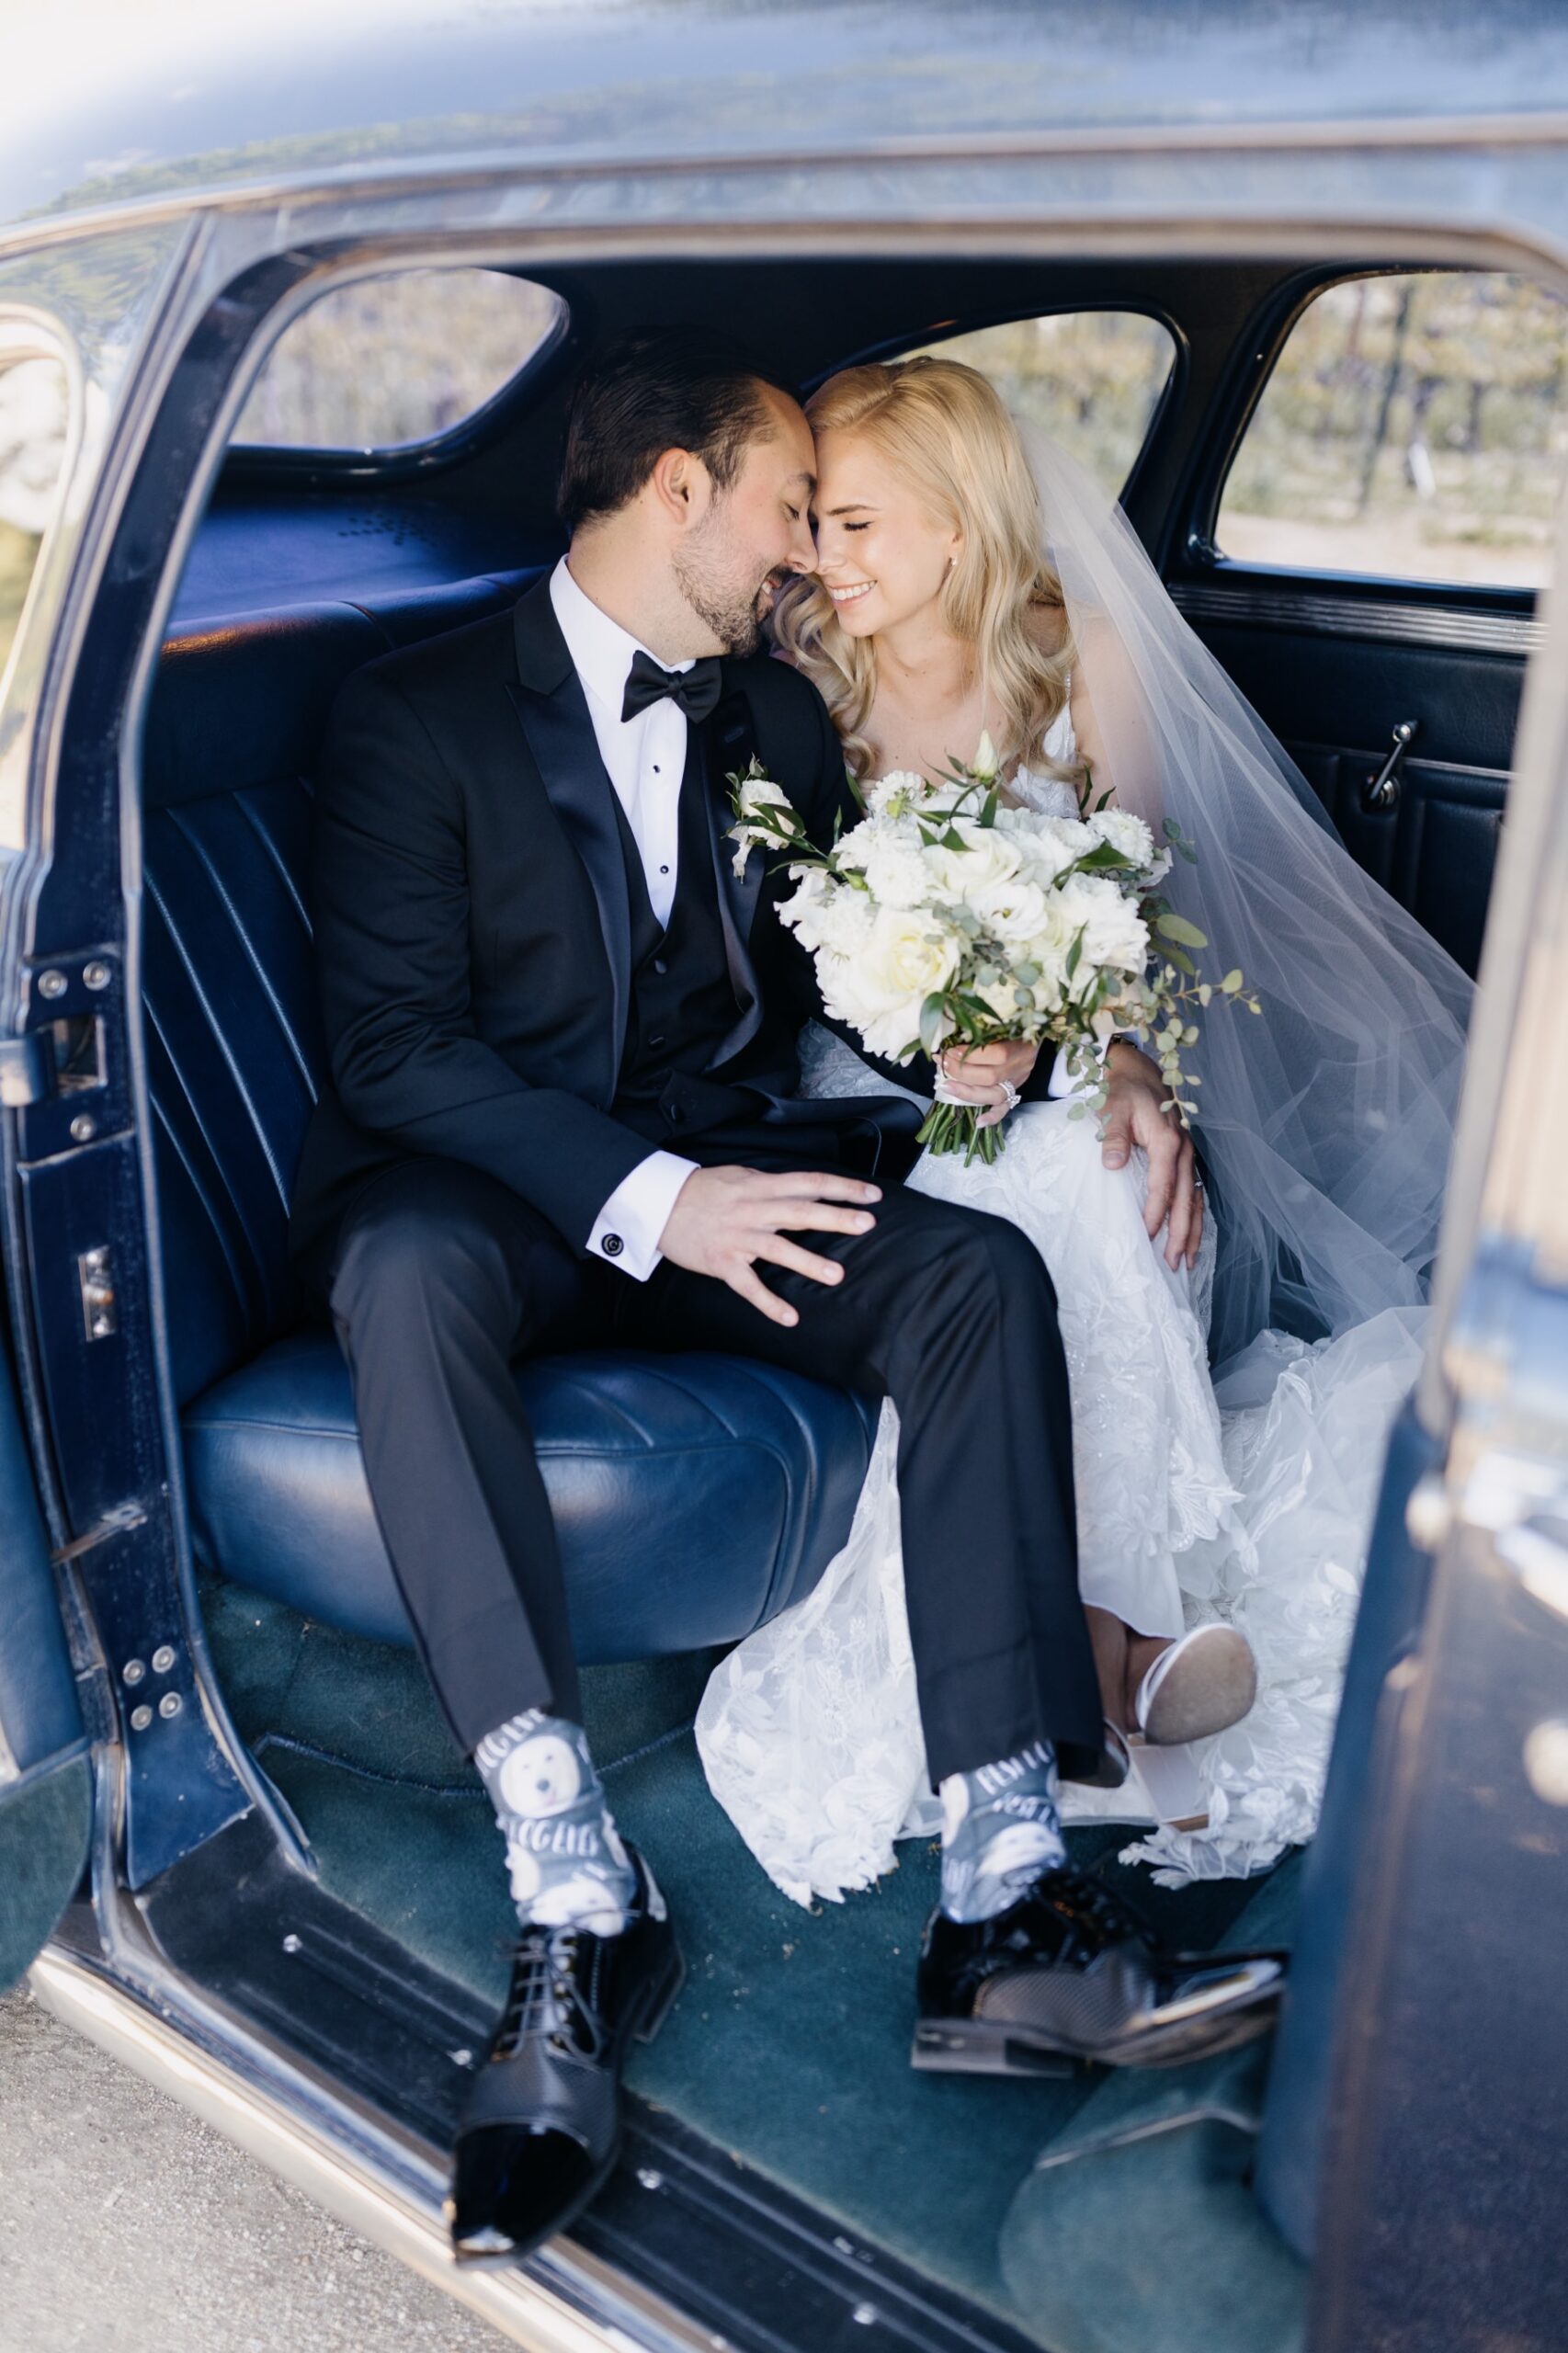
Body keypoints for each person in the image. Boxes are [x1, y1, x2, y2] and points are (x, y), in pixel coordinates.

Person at [285, 329, 1281, 2266]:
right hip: (505, 1193)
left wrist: (996, 1048)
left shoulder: (773, 717)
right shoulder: (414, 714)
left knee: (985, 1264)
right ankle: (569, 1876)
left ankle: (1000, 1885)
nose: (796, 555)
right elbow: (395, 1050)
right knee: (398, 1265)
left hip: (744, 1158)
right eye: (777, 506)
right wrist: (661, 1199)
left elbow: (831, 974)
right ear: (680, 490)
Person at [696, 354, 1470, 1903]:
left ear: (959, 527)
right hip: (862, 1094)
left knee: (1097, 1181)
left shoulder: (1085, 665)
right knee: (1023, 1202)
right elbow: (771, 955)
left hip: (1066, 1073)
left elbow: (1142, 925)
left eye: (853, 524)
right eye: (814, 525)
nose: (819, 560)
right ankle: (1118, 1664)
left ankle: (1091, 1663)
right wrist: (927, 1048)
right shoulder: (797, 692)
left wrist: (1128, 1070)